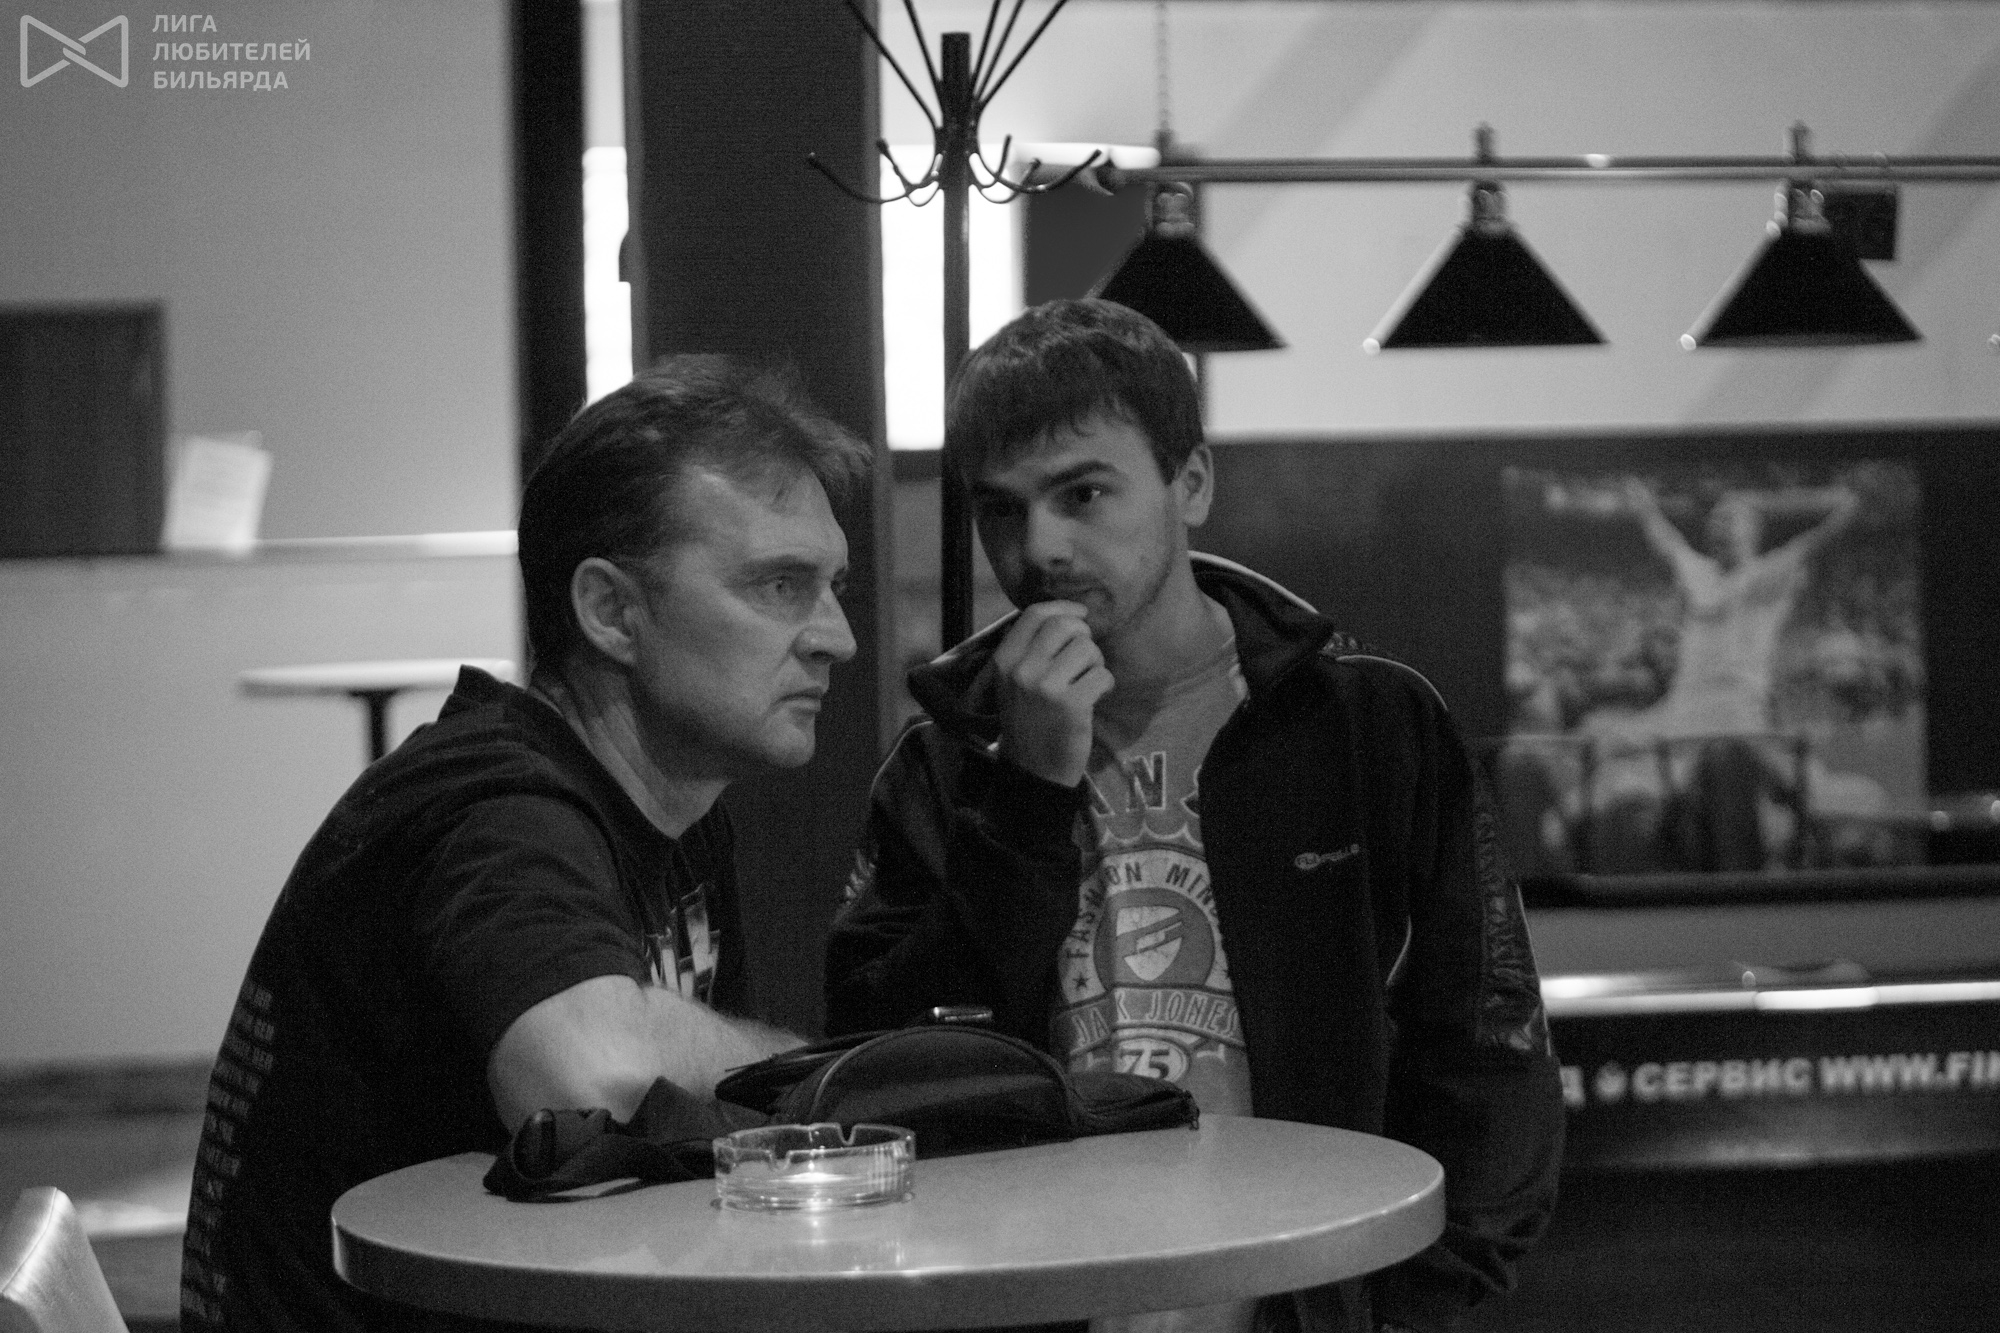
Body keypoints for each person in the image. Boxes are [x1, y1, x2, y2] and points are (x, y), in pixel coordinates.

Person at [826, 299, 1564, 1333]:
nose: (1039, 546)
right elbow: (880, 1082)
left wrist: (1401, 1303)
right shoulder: (942, 765)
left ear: (1193, 484)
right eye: (1000, 510)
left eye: (1084, 493)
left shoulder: (1369, 724)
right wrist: (1025, 797)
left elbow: (1488, 1042)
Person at [180, 357, 869, 1333]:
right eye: (780, 585)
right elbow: (588, 1074)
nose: (836, 636)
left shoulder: (676, 810)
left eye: (833, 586)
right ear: (610, 611)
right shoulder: (493, 801)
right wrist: (806, 1071)